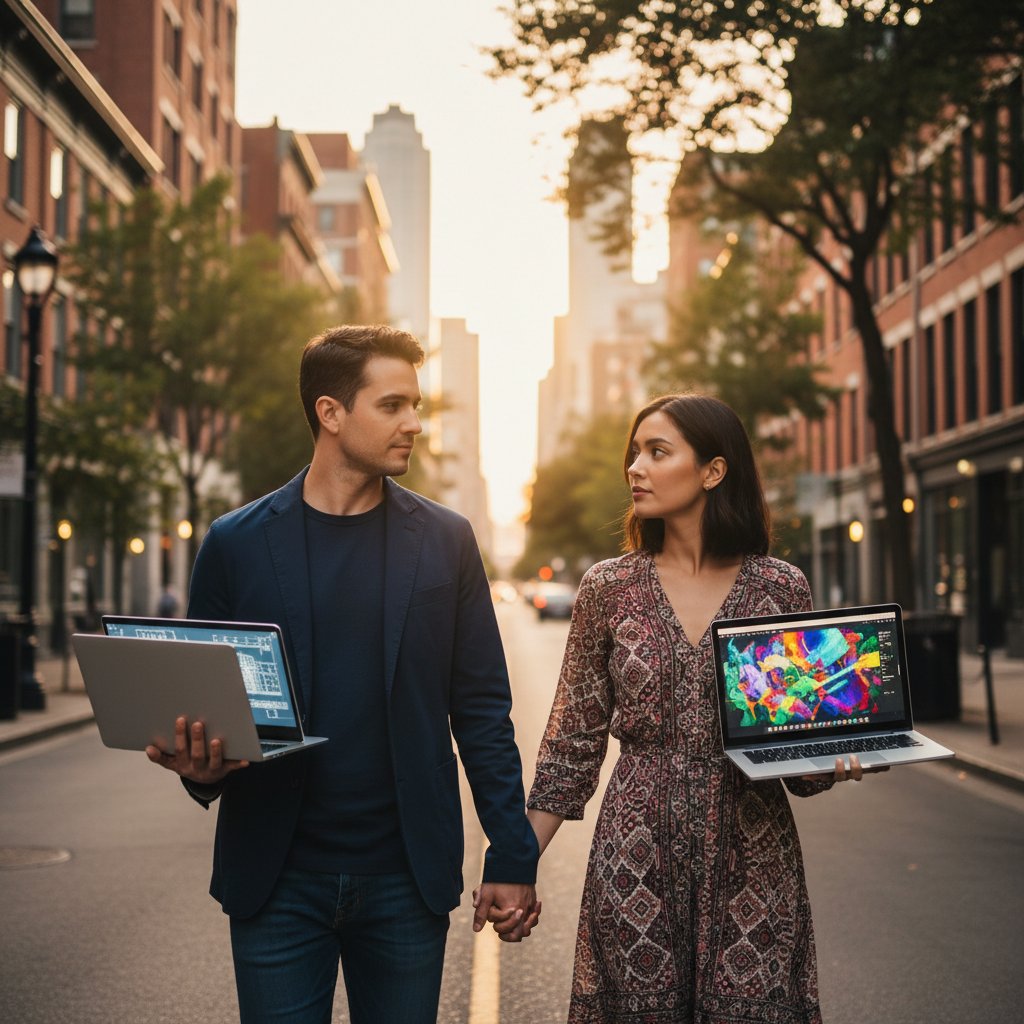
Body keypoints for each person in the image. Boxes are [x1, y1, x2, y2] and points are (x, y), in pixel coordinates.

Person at [145, 324, 540, 1024]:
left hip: (405, 880)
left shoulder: (446, 541)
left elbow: (480, 709)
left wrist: (511, 853)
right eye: (392, 406)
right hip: (276, 879)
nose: (413, 425)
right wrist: (198, 771)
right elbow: (203, 706)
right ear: (331, 413)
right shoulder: (234, 543)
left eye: (415, 405)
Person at [524, 394, 879, 1024]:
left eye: (657, 452)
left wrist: (834, 754)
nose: (635, 467)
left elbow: (797, 759)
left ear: (713, 471)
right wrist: (515, 863)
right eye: (634, 453)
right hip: (635, 863)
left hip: (754, 861)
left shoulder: (780, 587)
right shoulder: (609, 588)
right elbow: (571, 746)